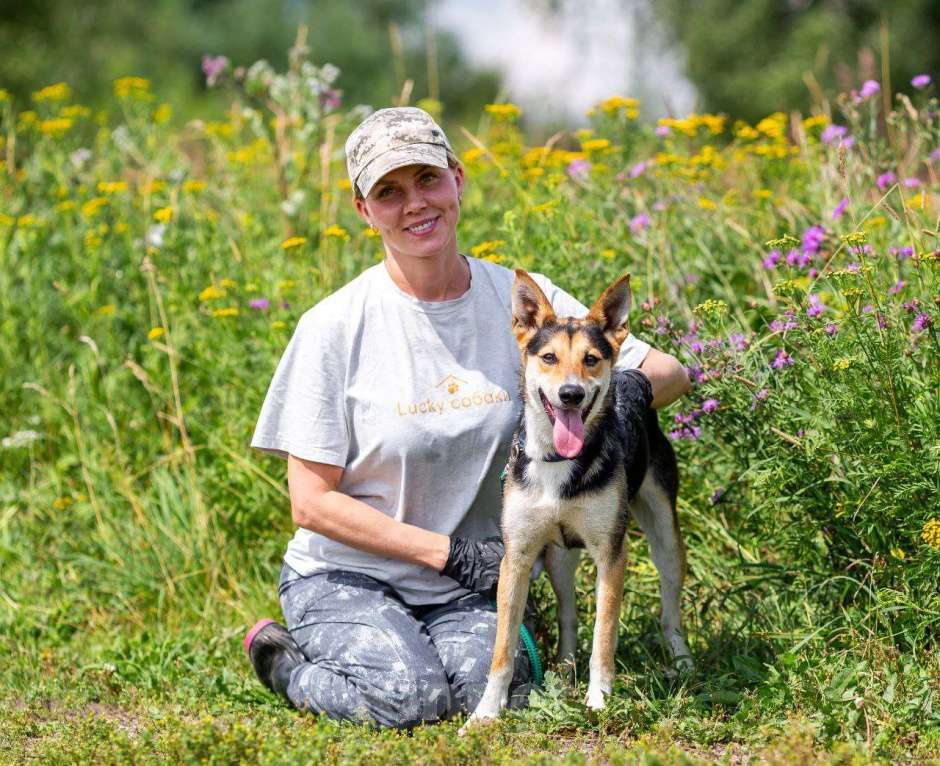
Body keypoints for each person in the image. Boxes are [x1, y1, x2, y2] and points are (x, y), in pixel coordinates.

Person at [244, 107, 690, 728]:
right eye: (388, 192)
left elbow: (666, 373)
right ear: (362, 211)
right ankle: (283, 662)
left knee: (507, 693)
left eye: (428, 179)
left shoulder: (522, 298)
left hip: (469, 584)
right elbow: (310, 504)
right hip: (349, 575)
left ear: (457, 179)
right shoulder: (333, 326)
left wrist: (594, 412)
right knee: (409, 697)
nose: (414, 204)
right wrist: (448, 553)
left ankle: (432, 650)